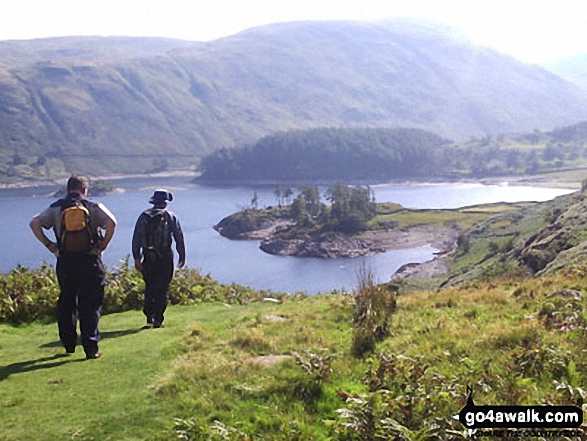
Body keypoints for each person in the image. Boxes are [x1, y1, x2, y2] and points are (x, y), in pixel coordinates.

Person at [30, 174, 117, 359]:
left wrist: (50, 245)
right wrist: (104, 244)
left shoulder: (56, 207)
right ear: (85, 189)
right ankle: (91, 348)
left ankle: (69, 344)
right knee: (90, 304)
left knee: (67, 302)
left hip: (66, 261)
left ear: (68, 188)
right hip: (90, 260)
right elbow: (111, 222)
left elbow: (34, 222)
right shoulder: (93, 206)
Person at [132, 189, 186, 328]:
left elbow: (136, 238)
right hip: (165, 256)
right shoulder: (171, 216)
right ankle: (158, 319)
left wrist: (137, 258)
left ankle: (149, 314)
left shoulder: (143, 216)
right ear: (165, 202)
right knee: (162, 288)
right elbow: (178, 236)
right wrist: (182, 255)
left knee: (150, 286)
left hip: (148, 256)